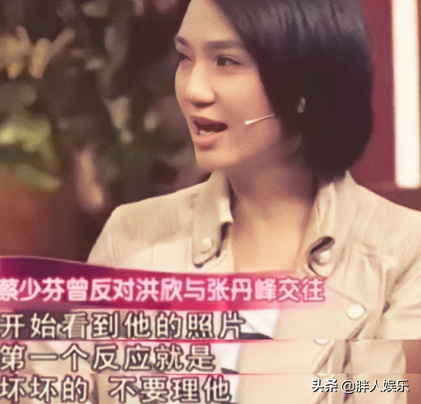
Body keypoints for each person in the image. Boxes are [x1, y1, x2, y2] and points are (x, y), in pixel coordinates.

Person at [88, 0, 421, 402]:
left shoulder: (406, 254)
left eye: (226, 61)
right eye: (185, 58)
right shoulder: (131, 237)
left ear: (306, 84)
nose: (193, 90)